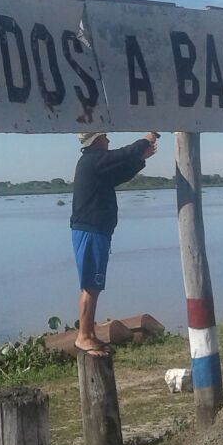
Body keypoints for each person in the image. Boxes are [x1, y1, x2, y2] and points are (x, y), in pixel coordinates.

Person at [69, 130, 159, 354]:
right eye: (105, 137)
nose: (108, 140)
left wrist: (140, 160)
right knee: (91, 286)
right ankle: (83, 336)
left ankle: (88, 334)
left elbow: (119, 173)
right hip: (91, 231)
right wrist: (145, 140)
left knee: (94, 285)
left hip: (95, 231)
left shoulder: (96, 164)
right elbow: (123, 154)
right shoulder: (93, 160)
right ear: (96, 140)